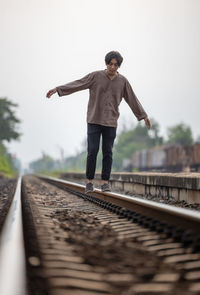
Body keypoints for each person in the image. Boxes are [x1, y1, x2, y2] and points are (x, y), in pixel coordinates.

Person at [46, 51, 151, 193]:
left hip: (111, 122)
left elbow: (132, 98)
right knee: (92, 150)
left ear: (119, 66)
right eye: (110, 64)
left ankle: (105, 183)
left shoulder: (123, 81)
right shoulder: (96, 76)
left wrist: (143, 115)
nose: (113, 67)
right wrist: (58, 89)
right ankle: (89, 182)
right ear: (106, 63)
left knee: (108, 152)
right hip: (94, 120)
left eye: (116, 65)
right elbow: (78, 84)